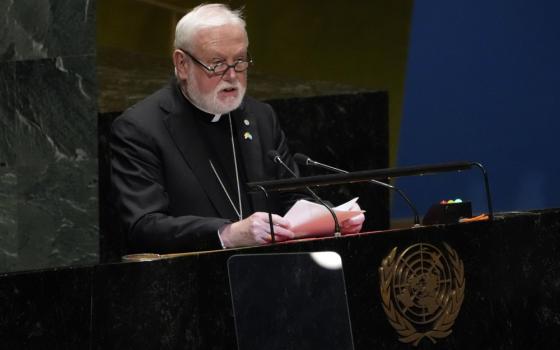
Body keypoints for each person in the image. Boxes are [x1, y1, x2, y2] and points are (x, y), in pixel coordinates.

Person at [110, 3, 364, 254]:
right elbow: (143, 225)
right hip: (193, 282)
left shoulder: (260, 117)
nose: (232, 76)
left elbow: (290, 197)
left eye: (240, 61)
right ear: (182, 64)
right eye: (217, 64)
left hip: (270, 276)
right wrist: (226, 234)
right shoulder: (141, 128)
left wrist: (330, 216)